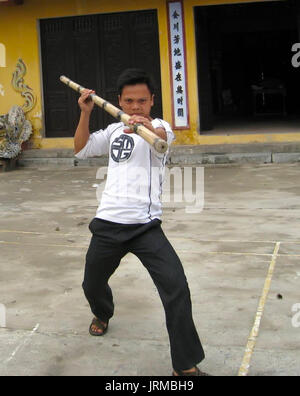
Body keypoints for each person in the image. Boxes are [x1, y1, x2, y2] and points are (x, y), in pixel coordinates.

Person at [74, 68, 208, 376]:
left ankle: (185, 366)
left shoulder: (159, 126)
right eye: (130, 101)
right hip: (108, 224)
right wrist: (85, 114)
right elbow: (80, 149)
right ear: (120, 100)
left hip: (145, 226)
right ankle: (103, 312)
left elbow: (161, 140)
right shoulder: (112, 131)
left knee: (177, 287)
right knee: (91, 283)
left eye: (142, 101)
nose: (136, 107)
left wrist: (146, 127)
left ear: (151, 102)